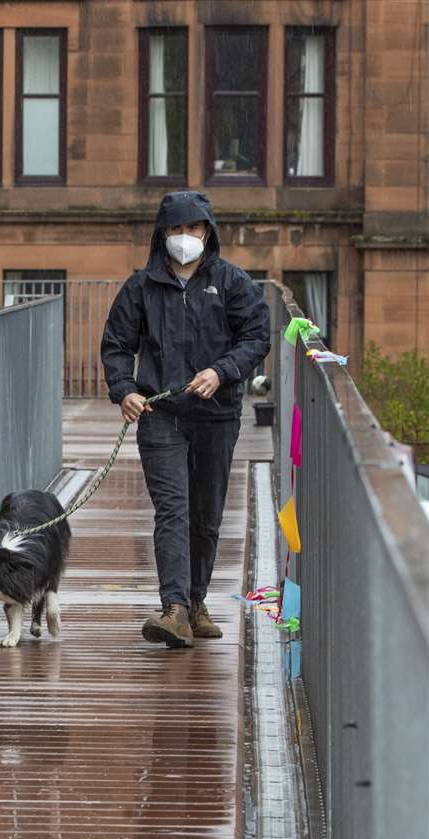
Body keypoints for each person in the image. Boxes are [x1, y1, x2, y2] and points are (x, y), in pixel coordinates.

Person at [100, 190, 270, 648]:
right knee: (173, 509)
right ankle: (173, 608)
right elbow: (117, 345)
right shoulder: (139, 287)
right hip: (161, 414)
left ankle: (195, 602)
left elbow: (257, 336)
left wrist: (222, 371)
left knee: (207, 514)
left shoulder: (232, 282)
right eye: (175, 229)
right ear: (162, 235)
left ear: (207, 232)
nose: (184, 237)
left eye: (193, 228)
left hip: (217, 415)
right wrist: (125, 390)